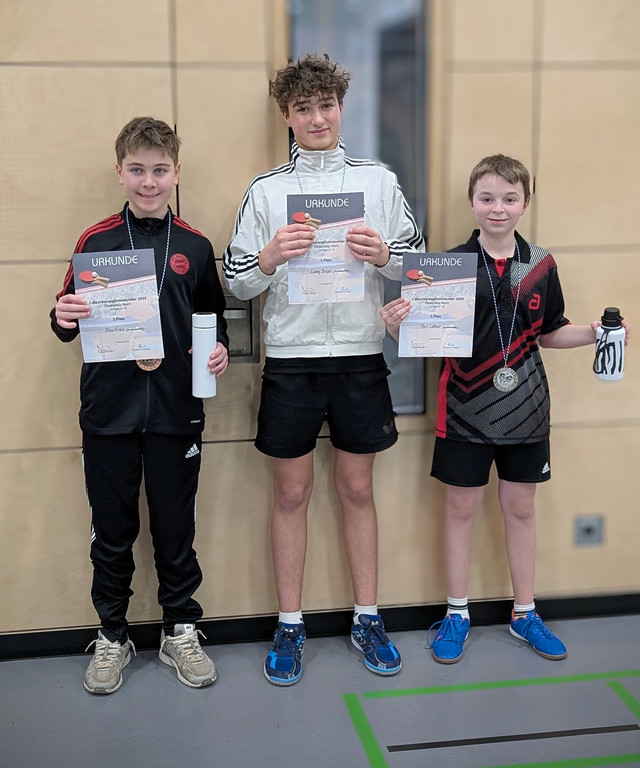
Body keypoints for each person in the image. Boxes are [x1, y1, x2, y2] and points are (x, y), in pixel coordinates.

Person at [223, 54, 424, 685]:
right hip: (292, 361)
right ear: (287, 115)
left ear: (341, 108)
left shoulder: (379, 182)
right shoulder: (265, 191)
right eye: (303, 108)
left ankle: (367, 617)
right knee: (291, 493)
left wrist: (385, 254)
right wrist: (270, 257)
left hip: (361, 358)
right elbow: (235, 281)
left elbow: (415, 264)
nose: (317, 118)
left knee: (358, 490)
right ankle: (290, 623)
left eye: (326, 105)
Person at [381, 154, 630, 665]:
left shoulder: (541, 265)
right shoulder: (446, 267)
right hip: (463, 408)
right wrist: (396, 326)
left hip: (526, 408)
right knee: (461, 510)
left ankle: (524, 613)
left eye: (509, 198)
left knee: (521, 509)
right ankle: (456, 613)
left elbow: (551, 330)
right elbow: (423, 338)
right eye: (488, 198)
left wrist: (594, 333)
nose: (498, 208)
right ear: (472, 202)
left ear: (525, 203)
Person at [50, 116, 229, 694]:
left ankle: (180, 630)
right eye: (137, 170)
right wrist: (62, 315)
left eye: (159, 170)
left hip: (177, 412)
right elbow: (64, 321)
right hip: (109, 413)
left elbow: (214, 321)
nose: (148, 182)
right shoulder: (94, 242)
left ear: (176, 173)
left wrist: (219, 349)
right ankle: (112, 635)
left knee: (176, 529)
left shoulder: (195, 246)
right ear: (119, 172)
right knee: (112, 532)